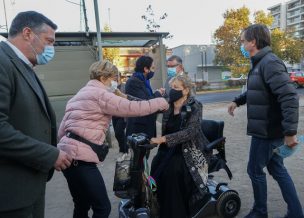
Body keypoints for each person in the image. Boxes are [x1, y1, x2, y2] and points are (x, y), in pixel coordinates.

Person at [57, 60, 169, 218]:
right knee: (102, 208)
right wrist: (160, 101)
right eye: (114, 78)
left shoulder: (81, 94)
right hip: (81, 160)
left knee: (81, 204)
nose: (116, 82)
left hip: (66, 157)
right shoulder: (100, 94)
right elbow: (133, 108)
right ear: (103, 78)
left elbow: (62, 130)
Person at [0, 11, 72, 218]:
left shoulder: (24, 65)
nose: (51, 48)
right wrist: (49, 154)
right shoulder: (3, 63)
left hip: (28, 187)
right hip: (10, 194)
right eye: (49, 41)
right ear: (27, 33)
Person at [228, 24, 304, 218]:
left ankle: (260, 212)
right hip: (267, 129)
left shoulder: (269, 62)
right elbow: (257, 90)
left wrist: (290, 132)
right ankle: (295, 212)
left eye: (244, 41)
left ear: (253, 42)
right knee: (276, 167)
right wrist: (237, 101)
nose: (242, 44)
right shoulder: (259, 63)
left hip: (268, 131)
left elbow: (289, 97)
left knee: (254, 170)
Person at [150, 74, 209, 218]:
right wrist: (125, 98)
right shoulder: (168, 103)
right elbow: (146, 106)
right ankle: (158, 204)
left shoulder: (194, 106)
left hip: (187, 151)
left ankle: (174, 213)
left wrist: (163, 139)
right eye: (171, 87)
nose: (172, 90)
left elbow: (190, 132)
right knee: (154, 167)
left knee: (172, 172)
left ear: (186, 90)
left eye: (176, 87)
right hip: (168, 149)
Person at [125, 55, 165, 140]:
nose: (154, 70)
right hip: (138, 126)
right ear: (146, 69)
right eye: (153, 68)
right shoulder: (133, 82)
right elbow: (145, 103)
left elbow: (146, 97)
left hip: (146, 123)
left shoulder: (144, 80)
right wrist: (158, 93)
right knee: (139, 151)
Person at [112, 74, 128, 153]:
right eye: (113, 76)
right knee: (117, 134)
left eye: (116, 76)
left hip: (123, 114)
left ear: (119, 77)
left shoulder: (124, 86)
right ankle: (123, 149)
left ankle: (125, 151)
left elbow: (127, 98)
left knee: (119, 132)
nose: (115, 78)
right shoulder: (110, 88)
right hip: (114, 114)